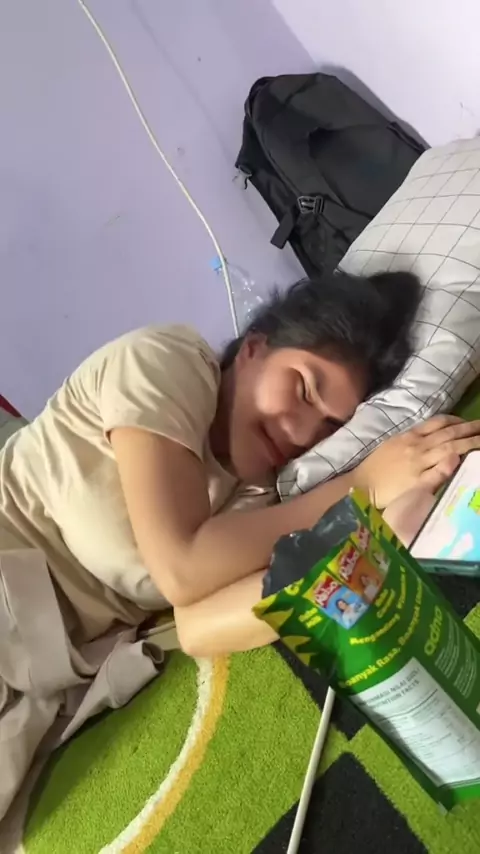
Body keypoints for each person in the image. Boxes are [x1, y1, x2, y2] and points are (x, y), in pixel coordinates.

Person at [2, 268, 480, 820]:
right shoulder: (166, 361)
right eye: (302, 388)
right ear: (254, 349)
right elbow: (183, 568)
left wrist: (371, 539)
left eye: (329, 429)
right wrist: (359, 486)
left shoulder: (255, 497)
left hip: (44, 673)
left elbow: (197, 627)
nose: (302, 433)